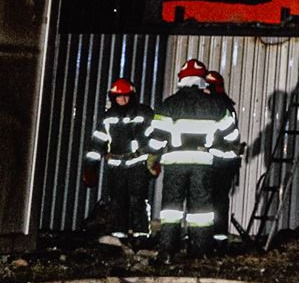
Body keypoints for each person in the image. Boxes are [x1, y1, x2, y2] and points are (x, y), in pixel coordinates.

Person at [147, 58, 239, 258]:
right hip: (202, 163)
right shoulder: (215, 105)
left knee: (171, 209)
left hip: (175, 162)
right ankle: (199, 252)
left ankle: (168, 252)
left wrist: (152, 158)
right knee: (201, 211)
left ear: (182, 79)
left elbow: (157, 137)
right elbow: (232, 135)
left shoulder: (169, 104)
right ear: (202, 80)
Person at [85, 77, 154, 244]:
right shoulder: (107, 118)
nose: (123, 99)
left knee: (138, 200)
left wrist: (153, 159)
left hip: (138, 164)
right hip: (116, 166)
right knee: (117, 201)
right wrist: (90, 168)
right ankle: (118, 236)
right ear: (113, 97)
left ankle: (141, 236)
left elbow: (156, 137)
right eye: (119, 96)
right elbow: (97, 143)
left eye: (126, 96)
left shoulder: (144, 113)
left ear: (132, 96)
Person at [204, 70, 242, 250]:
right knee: (219, 200)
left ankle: (210, 238)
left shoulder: (217, 107)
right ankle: (217, 238)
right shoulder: (226, 106)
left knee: (210, 200)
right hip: (226, 162)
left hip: (216, 161)